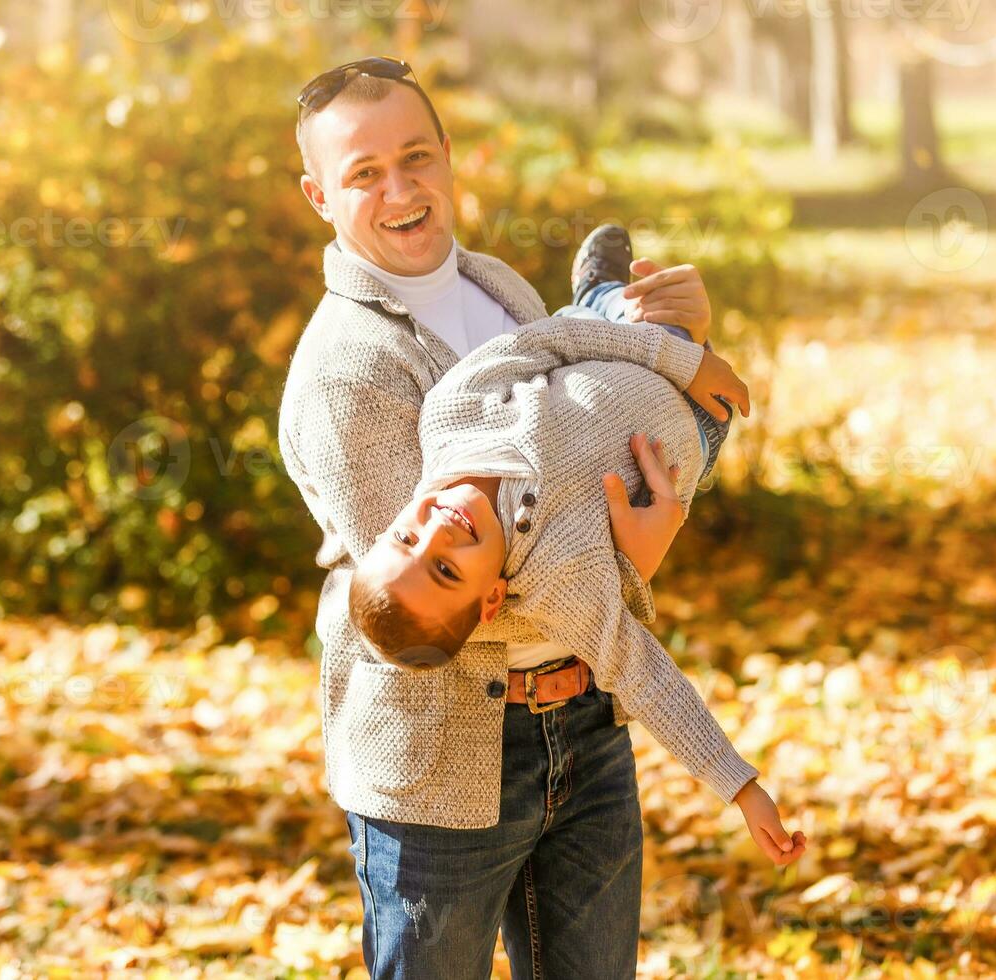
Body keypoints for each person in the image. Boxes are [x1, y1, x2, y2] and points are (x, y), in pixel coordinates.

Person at [277, 56, 799, 979]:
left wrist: (669, 345)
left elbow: (571, 426)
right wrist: (635, 563)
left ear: (447, 155)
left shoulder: (492, 284)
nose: (399, 190)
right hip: (442, 766)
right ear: (320, 195)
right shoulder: (345, 371)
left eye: (414, 157)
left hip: (585, 727)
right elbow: (429, 595)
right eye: (363, 174)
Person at [346, 220, 807, 865]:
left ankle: (598, 298)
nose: (437, 532)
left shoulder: (452, 412)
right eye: (447, 570)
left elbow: (547, 343)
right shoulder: (558, 589)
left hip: (630, 353)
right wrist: (743, 788)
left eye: (406, 536)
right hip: (692, 435)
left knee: (626, 322)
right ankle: (607, 300)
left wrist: (684, 359)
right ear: (491, 601)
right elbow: (645, 677)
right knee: (688, 361)